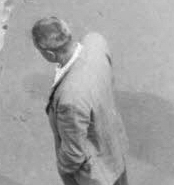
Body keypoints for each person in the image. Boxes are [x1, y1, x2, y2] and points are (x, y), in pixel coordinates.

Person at [32, 16, 129, 185]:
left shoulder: (70, 99)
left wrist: (63, 169)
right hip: (113, 144)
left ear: (50, 54)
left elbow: (73, 154)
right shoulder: (95, 41)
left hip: (97, 173)